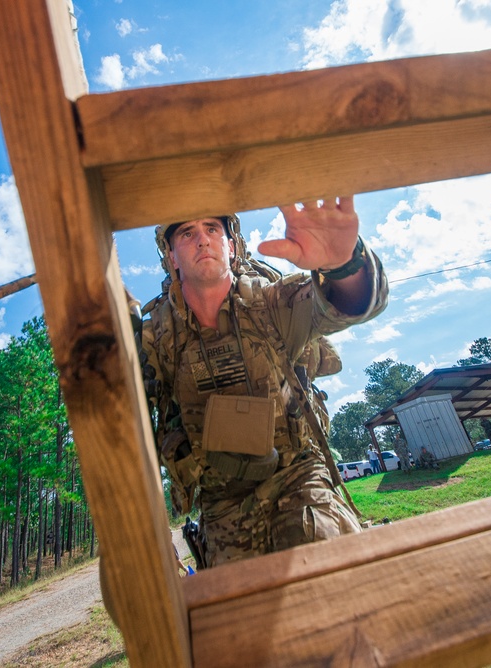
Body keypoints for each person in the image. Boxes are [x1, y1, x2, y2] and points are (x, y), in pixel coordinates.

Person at [140, 195, 388, 569]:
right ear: (172, 257)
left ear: (232, 245)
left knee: (334, 574)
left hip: (298, 477)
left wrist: (343, 265)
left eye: (212, 229)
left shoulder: (271, 304)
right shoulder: (157, 337)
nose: (202, 240)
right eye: (187, 233)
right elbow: (117, 403)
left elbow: (348, 305)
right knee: (242, 615)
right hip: (221, 505)